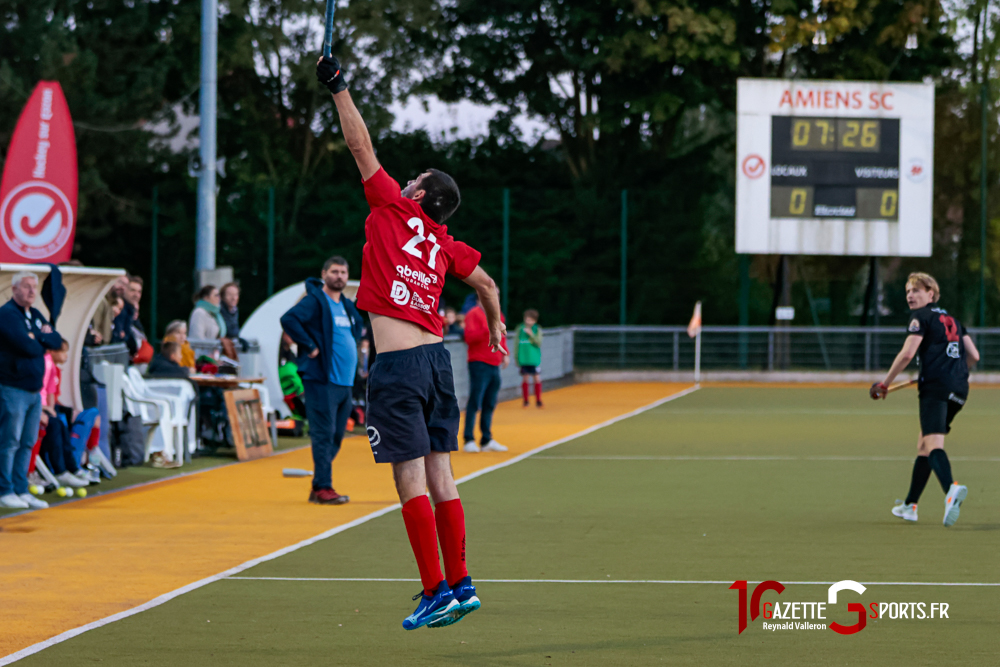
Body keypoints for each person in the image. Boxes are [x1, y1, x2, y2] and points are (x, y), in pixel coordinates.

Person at [318, 54, 505, 630]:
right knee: (442, 472)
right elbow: (488, 283)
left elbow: (359, 145)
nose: (403, 182)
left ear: (419, 197)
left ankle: (434, 591)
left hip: (399, 367)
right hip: (438, 362)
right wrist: (495, 323)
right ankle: (462, 583)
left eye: (413, 182)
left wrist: (337, 88)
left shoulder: (395, 209)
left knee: (408, 475)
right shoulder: (444, 241)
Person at [871, 272, 979, 527]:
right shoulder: (952, 319)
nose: (910, 295)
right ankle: (910, 505)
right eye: (908, 291)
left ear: (931, 294)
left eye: (916, 290)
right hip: (960, 389)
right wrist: (952, 373)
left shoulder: (921, 317)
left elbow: (908, 353)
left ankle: (950, 490)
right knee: (925, 444)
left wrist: (884, 383)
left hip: (935, 389)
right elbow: (973, 356)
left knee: (932, 445)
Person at [280, 256, 364, 505]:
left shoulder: (347, 305)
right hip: (321, 380)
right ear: (324, 273)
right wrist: (309, 345)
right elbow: (289, 319)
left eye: (343, 272)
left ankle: (319, 483)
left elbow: (356, 327)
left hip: (345, 383)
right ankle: (323, 487)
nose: (339, 276)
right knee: (323, 434)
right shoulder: (316, 300)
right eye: (335, 271)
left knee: (337, 435)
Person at [0, 272, 64, 509]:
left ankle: (21, 488)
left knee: (27, 441)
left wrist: (36, 336)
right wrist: (41, 339)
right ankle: (4, 490)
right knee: (9, 441)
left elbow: (57, 341)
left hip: (33, 391)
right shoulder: (7, 315)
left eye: (34, 287)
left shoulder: (35, 315)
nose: (31, 292)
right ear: (14, 289)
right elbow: (27, 347)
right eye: (26, 286)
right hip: (12, 387)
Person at [462, 297, 509, 452]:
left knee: (490, 402)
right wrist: (488, 328)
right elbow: (469, 337)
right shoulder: (473, 314)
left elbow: (502, 336)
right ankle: (469, 438)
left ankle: (486, 438)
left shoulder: (498, 315)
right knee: (475, 400)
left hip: (494, 362)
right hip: (479, 362)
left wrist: (505, 353)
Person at [515, 309, 543, 408]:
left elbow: (538, 342)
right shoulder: (520, 329)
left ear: (535, 321)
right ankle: (526, 400)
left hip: (534, 359)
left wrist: (531, 334)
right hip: (524, 359)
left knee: (537, 378)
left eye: (530, 320)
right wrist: (516, 358)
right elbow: (516, 344)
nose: (528, 322)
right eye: (526, 319)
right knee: (525, 378)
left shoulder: (537, 329)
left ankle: (538, 400)